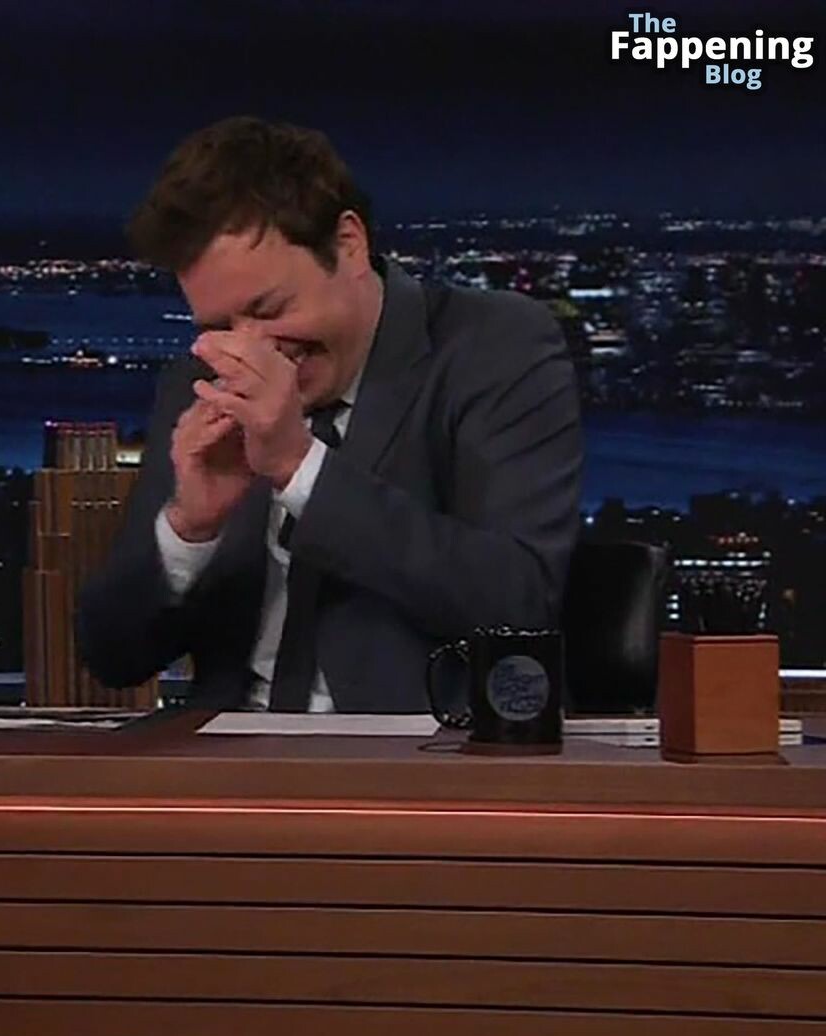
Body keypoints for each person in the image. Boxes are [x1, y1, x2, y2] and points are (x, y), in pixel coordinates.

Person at [78, 117, 583, 712]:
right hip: (227, 751)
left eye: (270, 309)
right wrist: (190, 529)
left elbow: (519, 604)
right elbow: (113, 657)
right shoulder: (203, 386)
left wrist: (298, 467)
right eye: (220, 326)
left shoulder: (494, 347)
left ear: (348, 245)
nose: (252, 350)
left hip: (418, 754)